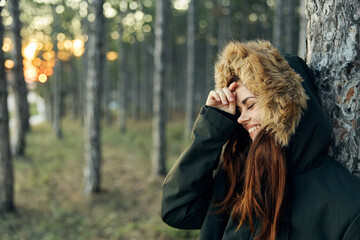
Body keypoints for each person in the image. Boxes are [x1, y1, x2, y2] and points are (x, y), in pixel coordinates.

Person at [161, 40, 360, 240]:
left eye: (251, 105)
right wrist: (213, 126)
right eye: (238, 110)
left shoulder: (346, 205)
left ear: (285, 106)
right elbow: (178, 211)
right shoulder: (239, 172)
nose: (240, 119)